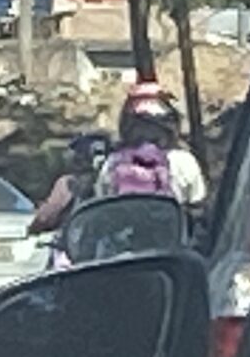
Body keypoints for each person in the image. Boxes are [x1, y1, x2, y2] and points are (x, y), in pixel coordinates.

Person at [97, 82, 208, 215]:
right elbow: (197, 204)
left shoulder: (113, 162)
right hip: (172, 232)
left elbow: (101, 204)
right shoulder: (184, 161)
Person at [29, 132, 112, 240]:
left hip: (74, 244)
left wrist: (32, 229)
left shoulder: (67, 183)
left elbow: (46, 216)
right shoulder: (116, 180)